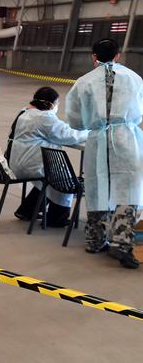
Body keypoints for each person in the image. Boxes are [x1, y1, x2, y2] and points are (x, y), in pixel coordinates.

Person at [66, 38, 143, 269]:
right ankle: (122, 243)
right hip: (126, 139)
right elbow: (139, 112)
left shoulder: (84, 82)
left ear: (93, 56)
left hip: (98, 139)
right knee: (128, 189)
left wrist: (93, 124)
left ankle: (95, 240)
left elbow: (74, 118)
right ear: (118, 55)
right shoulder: (133, 78)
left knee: (97, 186)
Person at [9, 87, 88, 227]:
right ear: (51, 103)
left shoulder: (24, 113)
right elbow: (67, 135)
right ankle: (57, 218)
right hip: (31, 165)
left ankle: (28, 210)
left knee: (47, 178)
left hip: (17, 163)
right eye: (57, 103)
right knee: (62, 179)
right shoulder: (43, 117)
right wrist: (89, 132)